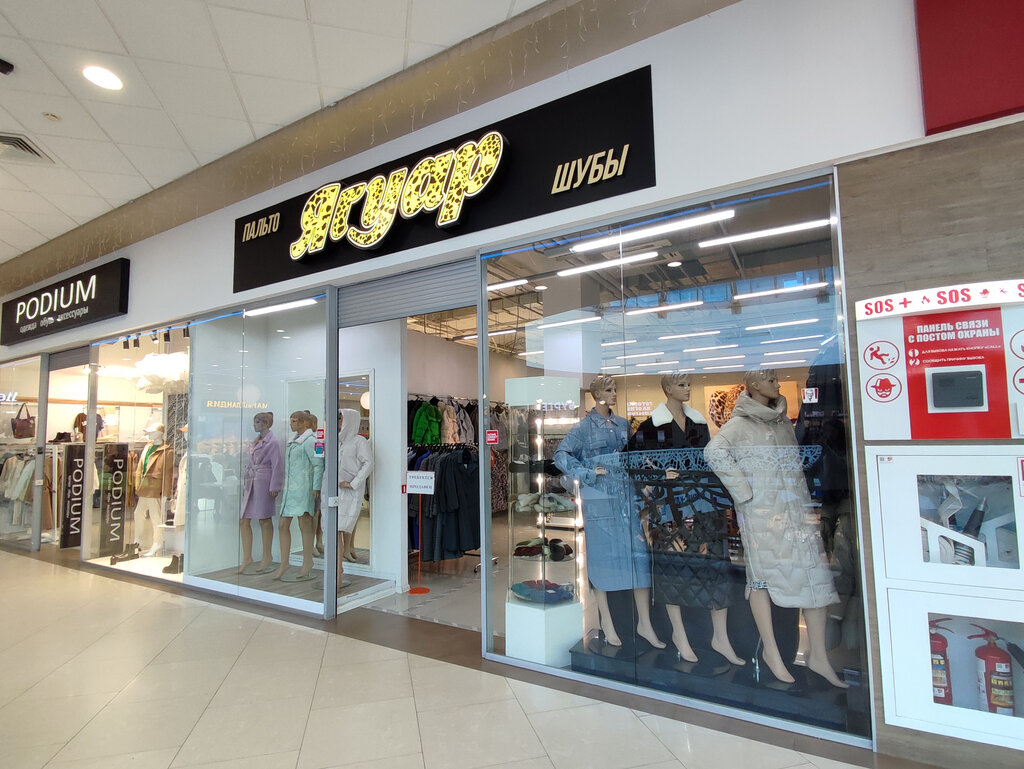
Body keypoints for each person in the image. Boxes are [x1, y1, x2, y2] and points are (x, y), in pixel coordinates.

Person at [704, 369, 848, 688]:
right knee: (761, 579)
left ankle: (818, 656)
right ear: (755, 385)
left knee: (815, 577)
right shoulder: (740, 424)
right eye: (770, 380)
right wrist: (745, 493)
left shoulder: (782, 422)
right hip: (762, 514)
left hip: (795, 511)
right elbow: (714, 452)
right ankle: (771, 651)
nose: (777, 384)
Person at [629, 373, 743, 665]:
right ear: (667, 388)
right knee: (673, 568)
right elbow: (629, 461)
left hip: (704, 502)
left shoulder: (699, 423)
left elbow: (708, 460)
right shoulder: (651, 426)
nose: (688, 389)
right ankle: (679, 634)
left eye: (689, 384)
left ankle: (720, 637)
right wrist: (657, 476)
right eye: (682, 385)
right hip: (670, 506)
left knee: (717, 566)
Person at [554, 375, 664, 649]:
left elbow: (635, 457)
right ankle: (607, 622)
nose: (614, 393)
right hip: (599, 502)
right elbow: (561, 455)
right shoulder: (583, 428)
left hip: (626, 501)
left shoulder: (624, 425)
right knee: (601, 562)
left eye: (615, 389)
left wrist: (650, 480)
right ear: (597, 395)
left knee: (638, 561)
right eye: (609, 390)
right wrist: (587, 473)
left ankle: (644, 623)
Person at [273, 411, 324, 581]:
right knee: (282, 525)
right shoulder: (293, 441)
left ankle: (307, 561)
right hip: (291, 489)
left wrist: (316, 487)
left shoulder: (313, 441)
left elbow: (319, 464)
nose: (291, 424)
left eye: (294, 421)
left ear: (303, 423)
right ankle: (284, 563)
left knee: (305, 524)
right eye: (291, 421)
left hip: (304, 488)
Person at [239, 412, 283, 575]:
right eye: (254, 422)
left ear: (266, 423)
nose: (255, 425)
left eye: (257, 422)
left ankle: (267, 555)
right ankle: (247, 557)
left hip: (264, 482)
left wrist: (275, 486)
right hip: (251, 481)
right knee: (244, 519)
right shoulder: (255, 441)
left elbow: (277, 464)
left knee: (264, 519)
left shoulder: (273, 442)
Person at [336, 408, 373, 585]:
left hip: (350, 490)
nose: (339, 422)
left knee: (344, 524)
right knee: (336, 527)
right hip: (335, 490)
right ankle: (339, 565)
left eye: (341, 418)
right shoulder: (337, 440)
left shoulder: (359, 441)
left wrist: (353, 483)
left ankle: (340, 566)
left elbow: (368, 463)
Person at [132, 423, 174, 557]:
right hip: (144, 488)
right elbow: (140, 468)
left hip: (155, 489)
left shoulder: (167, 451)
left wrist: (166, 493)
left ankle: (157, 542)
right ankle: (137, 540)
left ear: (159, 433)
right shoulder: (147, 447)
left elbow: (168, 474)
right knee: (138, 513)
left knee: (156, 517)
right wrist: (137, 484)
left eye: (151, 432)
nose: (149, 435)